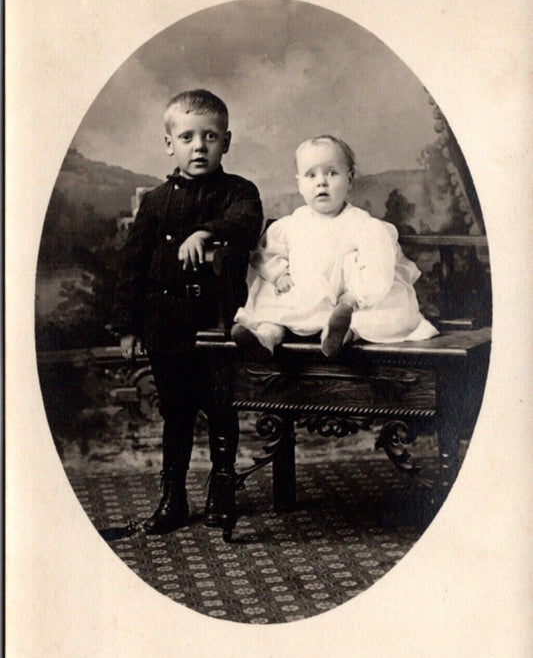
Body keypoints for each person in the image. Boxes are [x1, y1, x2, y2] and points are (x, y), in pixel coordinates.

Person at [112, 90, 263, 534]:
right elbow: (132, 265)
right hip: (164, 324)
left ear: (227, 141)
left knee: (220, 407)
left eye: (210, 136)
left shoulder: (239, 192)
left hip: (215, 324)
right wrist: (127, 326)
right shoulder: (156, 202)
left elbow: (246, 223)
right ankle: (173, 497)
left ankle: (221, 488)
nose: (199, 146)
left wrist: (205, 231)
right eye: (188, 136)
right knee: (175, 413)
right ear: (169, 144)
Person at [232, 135, 437, 361]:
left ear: (349, 179)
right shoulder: (292, 224)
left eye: (332, 173)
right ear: (300, 184)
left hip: (348, 300)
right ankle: (265, 338)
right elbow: (266, 254)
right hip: (301, 295)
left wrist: (355, 296)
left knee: (365, 319)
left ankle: (337, 335)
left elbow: (378, 263)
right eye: (311, 175)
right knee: (273, 310)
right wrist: (280, 274)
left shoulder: (363, 225)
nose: (322, 182)